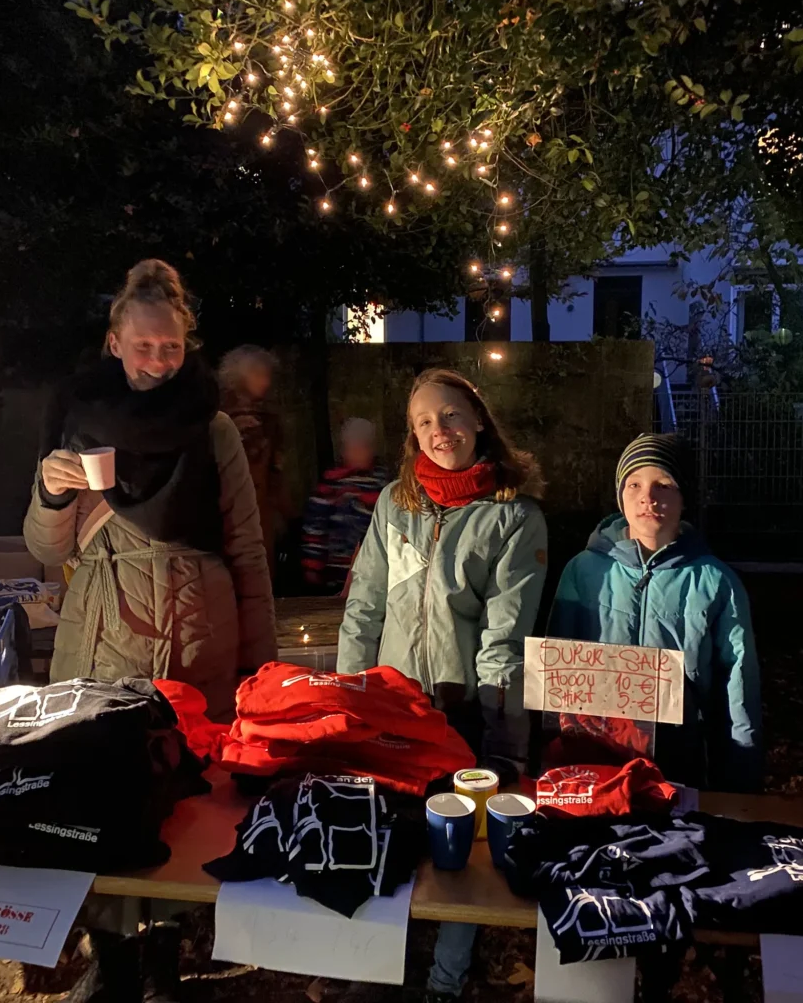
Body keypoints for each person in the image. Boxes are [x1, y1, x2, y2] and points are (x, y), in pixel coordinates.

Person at [337, 369, 547, 1003]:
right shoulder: (393, 505)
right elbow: (365, 607)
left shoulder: (515, 516)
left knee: (462, 853)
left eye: (451, 415)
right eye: (424, 421)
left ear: (478, 419)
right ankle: (371, 969)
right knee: (379, 835)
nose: (439, 431)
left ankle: (446, 982)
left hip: (464, 714)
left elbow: (504, 638)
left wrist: (504, 738)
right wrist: (346, 702)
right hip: (393, 708)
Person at [24, 260, 276, 724]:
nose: (159, 363)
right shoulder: (76, 421)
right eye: (143, 346)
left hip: (203, 648)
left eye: (171, 347)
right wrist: (51, 493)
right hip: (100, 646)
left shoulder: (214, 428)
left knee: (203, 784)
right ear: (115, 343)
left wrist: (260, 668)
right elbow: (47, 547)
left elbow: (246, 550)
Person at [548, 432, 762, 793]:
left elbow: (738, 685)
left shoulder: (716, 582)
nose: (648, 497)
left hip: (678, 761)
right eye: (634, 484)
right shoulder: (583, 572)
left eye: (664, 484)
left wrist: (739, 781)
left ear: (685, 497)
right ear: (620, 495)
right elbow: (556, 675)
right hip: (595, 760)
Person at [218, 345, 287, 576]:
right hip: (228, 507)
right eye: (258, 374)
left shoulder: (270, 419)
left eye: (266, 374)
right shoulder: (219, 416)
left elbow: (276, 468)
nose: (265, 381)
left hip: (260, 509)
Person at [302, 418, 388, 594]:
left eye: (364, 446)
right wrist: (312, 565)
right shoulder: (331, 484)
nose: (357, 452)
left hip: (373, 568)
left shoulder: (382, 483)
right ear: (343, 450)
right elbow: (315, 526)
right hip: (337, 570)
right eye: (352, 447)